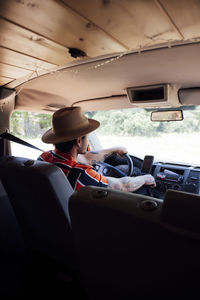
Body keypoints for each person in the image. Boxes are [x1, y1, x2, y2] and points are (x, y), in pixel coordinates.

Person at [38, 106, 156, 192]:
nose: (88, 141)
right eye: (87, 137)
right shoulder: (80, 174)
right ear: (79, 141)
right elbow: (122, 186)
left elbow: (86, 158)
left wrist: (114, 149)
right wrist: (145, 178)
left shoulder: (43, 159)